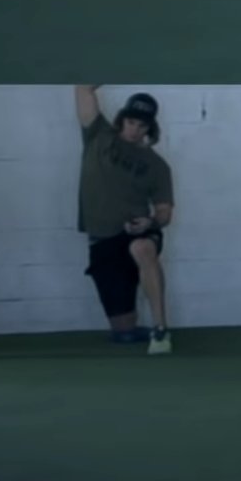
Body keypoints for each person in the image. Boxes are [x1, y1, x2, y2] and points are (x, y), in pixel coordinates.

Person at [75, 86, 177, 356]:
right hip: (102, 239)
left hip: (136, 232)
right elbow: (83, 90)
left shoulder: (157, 166)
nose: (134, 130)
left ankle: (160, 328)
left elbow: (165, 213)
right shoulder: (99, 135)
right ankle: (130, 328)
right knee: (123, 331)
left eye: (141, 125)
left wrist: (151, 223)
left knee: (142, 248)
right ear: (122, 120)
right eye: (131, 122)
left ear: (149, 129)